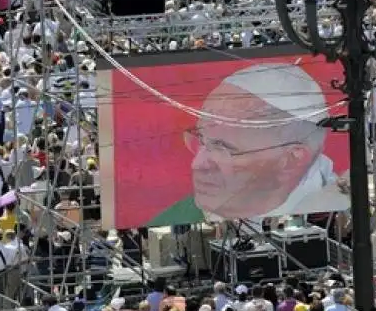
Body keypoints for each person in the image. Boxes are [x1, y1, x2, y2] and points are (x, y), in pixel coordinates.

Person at [147, 64, 350, 226]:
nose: (197, 164)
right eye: (201, 141)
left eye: (223, 148)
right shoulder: (176, 214)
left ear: (291, 159)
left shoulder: (337, 205)